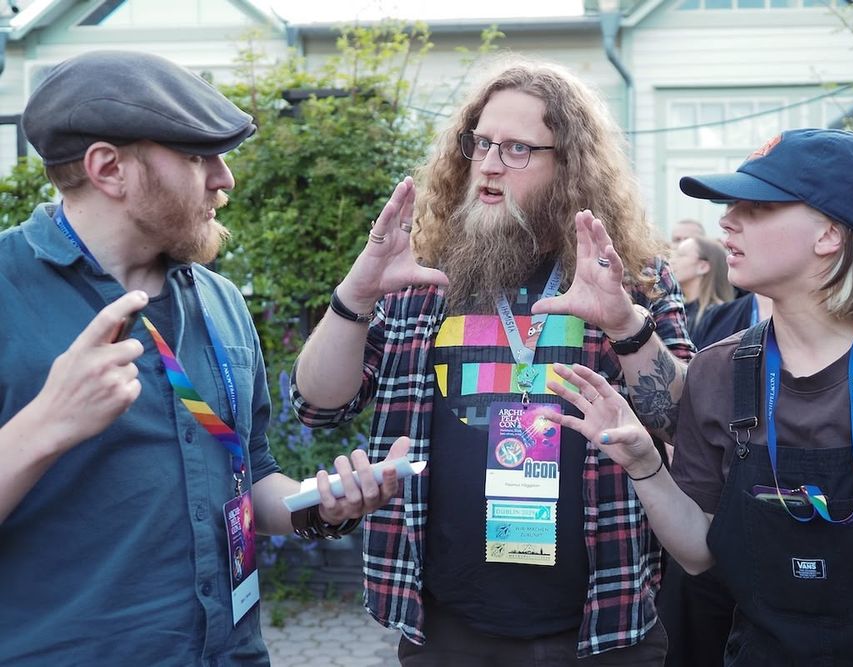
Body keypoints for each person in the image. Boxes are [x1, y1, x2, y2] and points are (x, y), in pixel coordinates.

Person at [0, 50, 404, 666]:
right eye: (197, 156)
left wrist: (317, 508)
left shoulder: (218, 300)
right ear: (109, 168)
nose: (225, 178)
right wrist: (44, 426)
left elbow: (250, 475)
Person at [540, 128, 853, 665]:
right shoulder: (721, 370)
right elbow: (698, 555)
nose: (727, 221)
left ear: (829, 234)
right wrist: (645, 464)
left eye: (756, 207)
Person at [290, 59, 695, 664]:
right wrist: (355, 294)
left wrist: (623, 323)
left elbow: (681, 422)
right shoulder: (420, 272)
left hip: (602, 621)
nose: (489, 162)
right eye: (480, 142)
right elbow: (318, 405)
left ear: (570, 167)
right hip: (447, 623)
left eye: (517, 148)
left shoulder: (626, 273)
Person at [670, 235, 734, 346]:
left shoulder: (720, 316)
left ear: (703, 267)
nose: (671, 261)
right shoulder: (676, 309)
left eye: (680, 255)